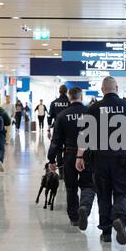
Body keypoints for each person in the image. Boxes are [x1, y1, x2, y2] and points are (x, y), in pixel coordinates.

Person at [76, 77, 126, 245]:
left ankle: (105, 232)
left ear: (102, 89)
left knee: (103, 195)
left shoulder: (93, 109)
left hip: (99, 159)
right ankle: (119, 218)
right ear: (117, 88)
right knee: (123, 192)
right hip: (122, 159)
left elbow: (83, 136)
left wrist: (79, 156)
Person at [48, 87, 96, 229]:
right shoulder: (90, 113)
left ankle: (74, 218)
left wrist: (51, 159)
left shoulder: (62, 115)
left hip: (69, 154)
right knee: (88, 185)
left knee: (71, 187)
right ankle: (85, 208)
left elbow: (56, 141)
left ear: (69, 97)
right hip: (88, 154)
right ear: (81, 97)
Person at [48, 85, 70, 179]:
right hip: (69, 129)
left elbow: (50, 116)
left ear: (59, 91)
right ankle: (66, 169)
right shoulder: (69, 102)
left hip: (57, 129)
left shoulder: (54, 103)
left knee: (58, 149)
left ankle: (61, 172)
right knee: (68, 149)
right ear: (66, 91)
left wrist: (48, 129)